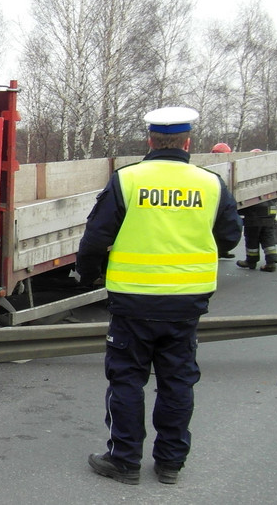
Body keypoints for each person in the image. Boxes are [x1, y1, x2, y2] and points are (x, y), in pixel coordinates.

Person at [76, 106, 242, 486]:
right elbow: (230, 236)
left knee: (126, 380)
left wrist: (87, 277)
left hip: (133, 301)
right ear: (188, 142)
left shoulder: (128, 180)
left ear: (150, 141)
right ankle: (169, 463)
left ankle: (124, 460)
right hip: (186, 301)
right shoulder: (210, 183)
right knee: (177, 381)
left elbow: (96, 238)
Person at [235, 198, 277, 272]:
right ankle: (271, 262)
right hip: (270, 211)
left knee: (252, 238)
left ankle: (251, 261)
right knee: (268, 237)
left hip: (254, 213)